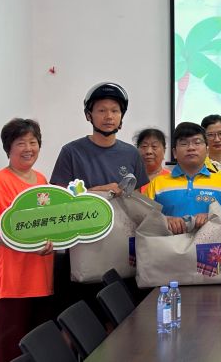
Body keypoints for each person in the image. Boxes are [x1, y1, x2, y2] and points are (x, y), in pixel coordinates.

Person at [49, 82, 149, 316]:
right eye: (101, 110)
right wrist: (98, 191)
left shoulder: (131, 154)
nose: (108, 116)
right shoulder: (71, 151)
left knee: (123, 319)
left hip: (122, 249)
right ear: (89, 115)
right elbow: (58, 201)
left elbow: (138, 201)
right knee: (84, 321)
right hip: (85, 247)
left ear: (122, 116)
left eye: (114, 110)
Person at [0, 118, 55, 362]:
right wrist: (30, 247)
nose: (28, 148)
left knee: (39, 348)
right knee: (12, 351)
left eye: (33, 142)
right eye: (21, 143)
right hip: (12, 283)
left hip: (41, 279)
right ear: (8, 148)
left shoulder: (42, 180)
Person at [146, 122, 221, 234]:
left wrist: (213, 217)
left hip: (213, 244)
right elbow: (142, 215)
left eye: (197, 142)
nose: (191, 148)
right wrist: (165, 219)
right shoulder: (157, 184)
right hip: (169, 244)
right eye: (184, 143)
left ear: (207, 151)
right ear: (174, 153)